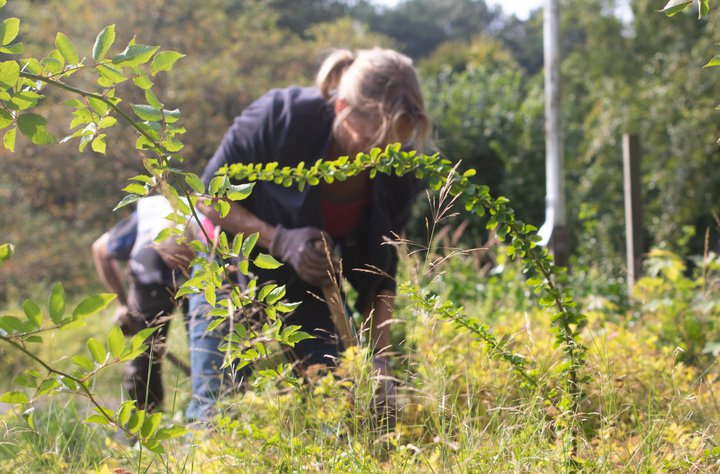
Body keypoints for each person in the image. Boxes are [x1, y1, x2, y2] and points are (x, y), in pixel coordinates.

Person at [186, 48, 433, 422]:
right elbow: (208, 197)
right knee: (219, 409)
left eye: (392, 148)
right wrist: (279, 238)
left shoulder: (398, 166)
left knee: (345, 407)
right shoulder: (280, 117)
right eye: (370, 142)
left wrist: (379, 358)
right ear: (342, 109)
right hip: (229, 268)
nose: (381, 158)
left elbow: (381, 272)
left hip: (309, 284)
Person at [92, 195, 195, 411]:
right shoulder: (139, 230)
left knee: (204, 340)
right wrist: (121, 303)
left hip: (199, 282)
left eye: (183, 262)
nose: (176, 270)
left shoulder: (207, 229)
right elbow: (99, 250)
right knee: (144, 355)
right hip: (149, 284)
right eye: (172, 262)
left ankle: (212, 401)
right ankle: (147, 421)